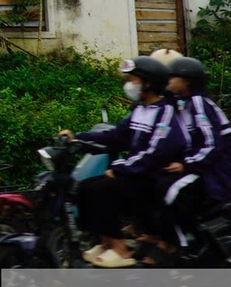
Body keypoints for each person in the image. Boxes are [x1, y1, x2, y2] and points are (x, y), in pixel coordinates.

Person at [73, 55, 187, 267]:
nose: (129, 85)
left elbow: (156, 152)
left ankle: (120, 249)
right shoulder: (140, 110)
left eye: (133, 80)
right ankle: (106, 242)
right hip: (138, 174)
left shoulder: (166, 112)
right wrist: (78, 138)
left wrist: (121, 168)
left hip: (155, 177)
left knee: (102, 190)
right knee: (85, 187)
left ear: (149, 83)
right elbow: (116, 136)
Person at [162, 55, 231, 241]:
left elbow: (212, 143)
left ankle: (182, 240)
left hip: (217, 168)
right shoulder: (183, 103)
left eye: (172, 78)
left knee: (170, 191)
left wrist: (186, 165)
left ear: (187, 81)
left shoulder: (199, 103)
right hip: (204, 163)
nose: (169, 82)